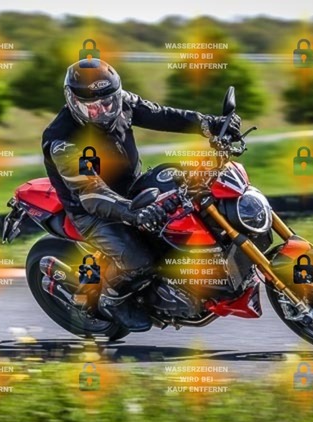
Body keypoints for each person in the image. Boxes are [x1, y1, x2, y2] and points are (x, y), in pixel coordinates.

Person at [41, 58, 241, 332]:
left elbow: (162, 114)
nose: (103, 111)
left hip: (134, 186)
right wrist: (132, 212)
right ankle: (113, 299)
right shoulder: (63, 141)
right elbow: (91, 192)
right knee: (139, 260)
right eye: (92, 107)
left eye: (108, 102)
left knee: (193, 203)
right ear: (73, 102)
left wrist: (209, 124)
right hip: (93, 211)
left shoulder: (121, 102)